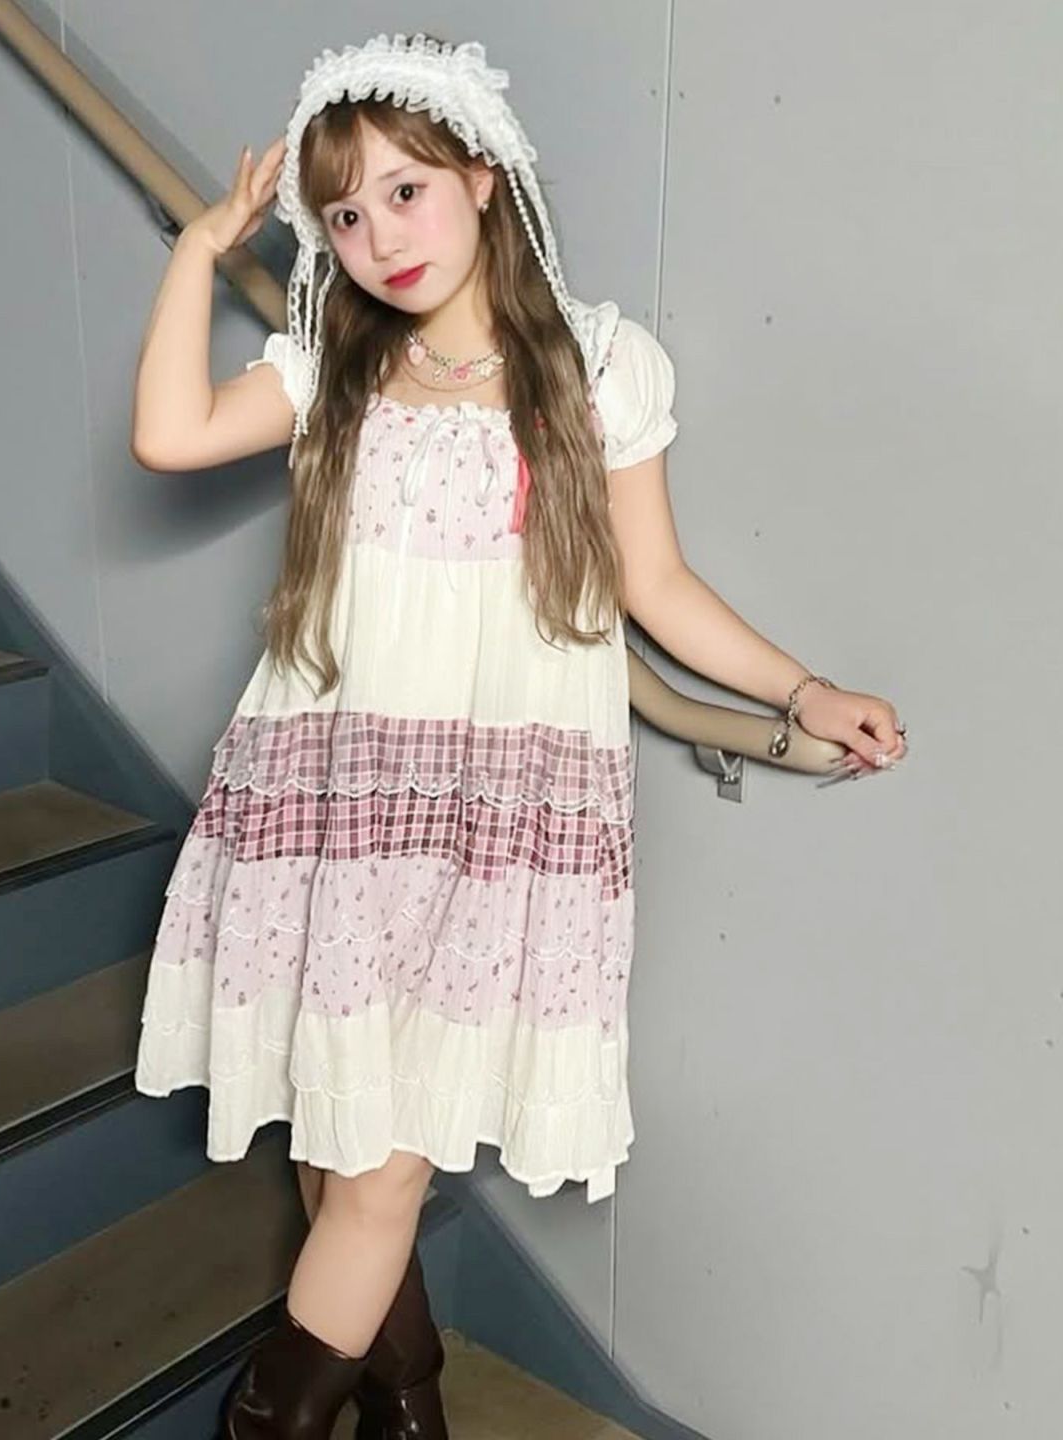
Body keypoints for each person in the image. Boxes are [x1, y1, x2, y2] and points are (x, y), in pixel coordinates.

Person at [129, 32, 907, 1440]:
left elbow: (655, 585)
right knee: (338, 1149)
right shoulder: (334, 370)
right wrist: (198, 250)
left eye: (406, 192)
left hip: (498, 818)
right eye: (344, 216)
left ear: (483, 177)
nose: (379, 240)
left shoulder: (600, 369)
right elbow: (171, 436)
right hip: (333, 793)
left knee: (378, 1172)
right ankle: (409, 1401)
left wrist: (801, 692)